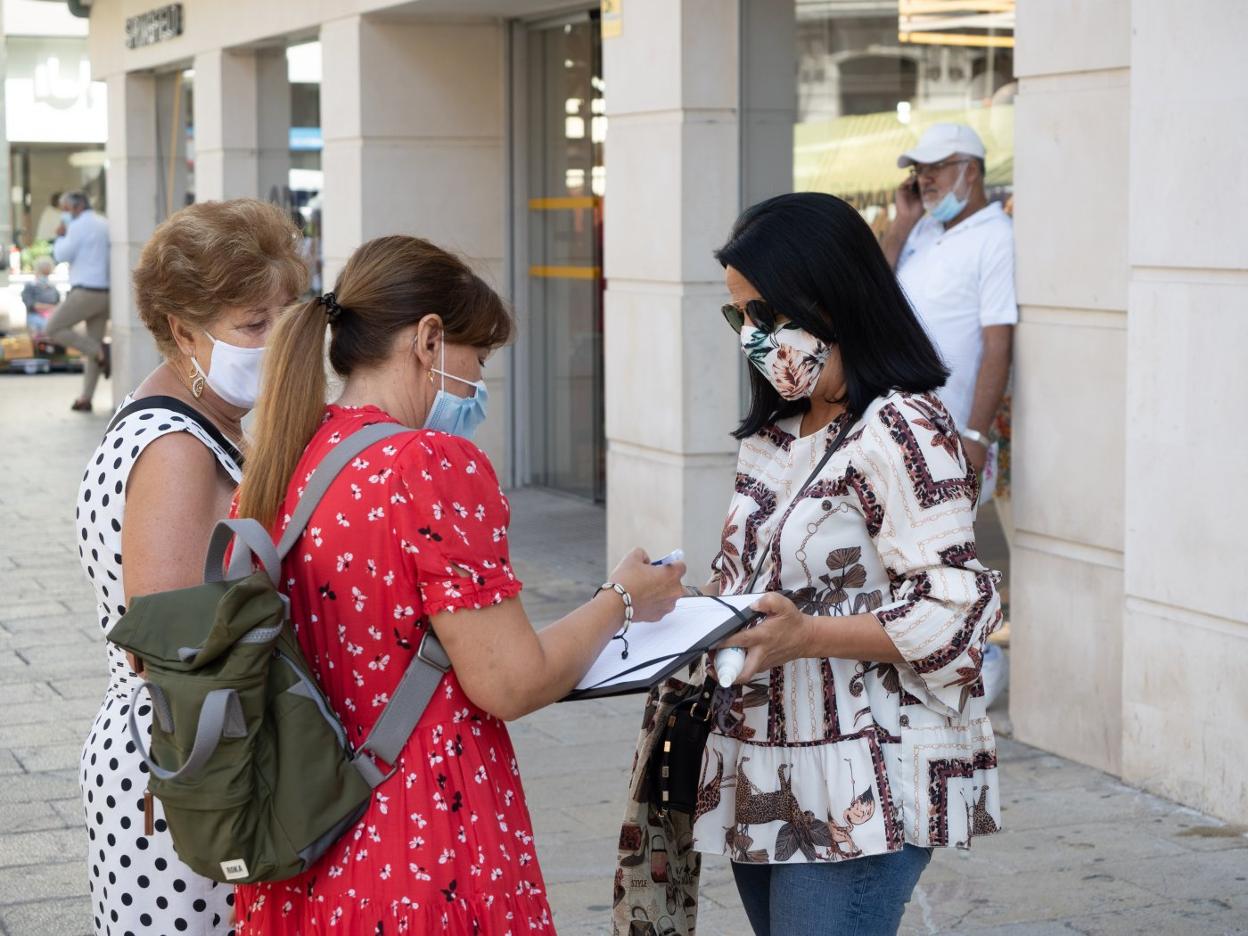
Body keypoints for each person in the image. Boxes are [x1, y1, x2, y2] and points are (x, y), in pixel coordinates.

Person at [231, 234, 685, 934]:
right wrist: (621, 600)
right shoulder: (430, 464)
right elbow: (510, 681)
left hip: (303, 846)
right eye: (480, 355)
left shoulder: (288, 453)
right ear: (430, 339)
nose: (480, 379)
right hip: (419, 840)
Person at [615, 193, 1003, 936]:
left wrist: (807, 638)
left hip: (865, 779)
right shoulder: (776, 433)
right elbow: (764, 590)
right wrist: (679, 605)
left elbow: (957, 611)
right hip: (762, 764)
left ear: (830, 298)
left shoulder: (904, 428)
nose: (753, 339)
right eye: (740, 319)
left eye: (765, 314)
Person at [76, 199, 309, 936]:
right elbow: (179, 650)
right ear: (182, 331)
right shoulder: (174, 447)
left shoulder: (200, 423)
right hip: (188, 771)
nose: (274, 344)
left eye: (286, 317)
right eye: (252, 325)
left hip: (202, 757)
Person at [881, 122, 1016, 706]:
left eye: (937, 166)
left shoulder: (995, 236)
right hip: (897, 426)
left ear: (973, 170)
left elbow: (998, 343)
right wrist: (903, 222)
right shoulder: (923, 233)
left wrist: (976, 433)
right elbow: (871, 292)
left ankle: (982, 661)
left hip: (950, 430)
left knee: (949, 559)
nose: (925, 178)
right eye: (919, 168)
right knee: (908, 559)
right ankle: (934, 659)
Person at [46, 191, 111, 411]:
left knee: (53, 327)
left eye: (64, 209)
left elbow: (61, 255)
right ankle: (86, 398)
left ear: (76, 207)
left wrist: (60, 235)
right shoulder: (104, 222)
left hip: (85, 292)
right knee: (94, 342)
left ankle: (101, 351)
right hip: (106, 293)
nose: (62, 214)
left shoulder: (77, 226)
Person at [21, 256, 60, 335]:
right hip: (36, 317)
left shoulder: (53, 287)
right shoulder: (30, 286)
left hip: (50, 317)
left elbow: (57, 304)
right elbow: (31, 304)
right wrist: (51, 308)